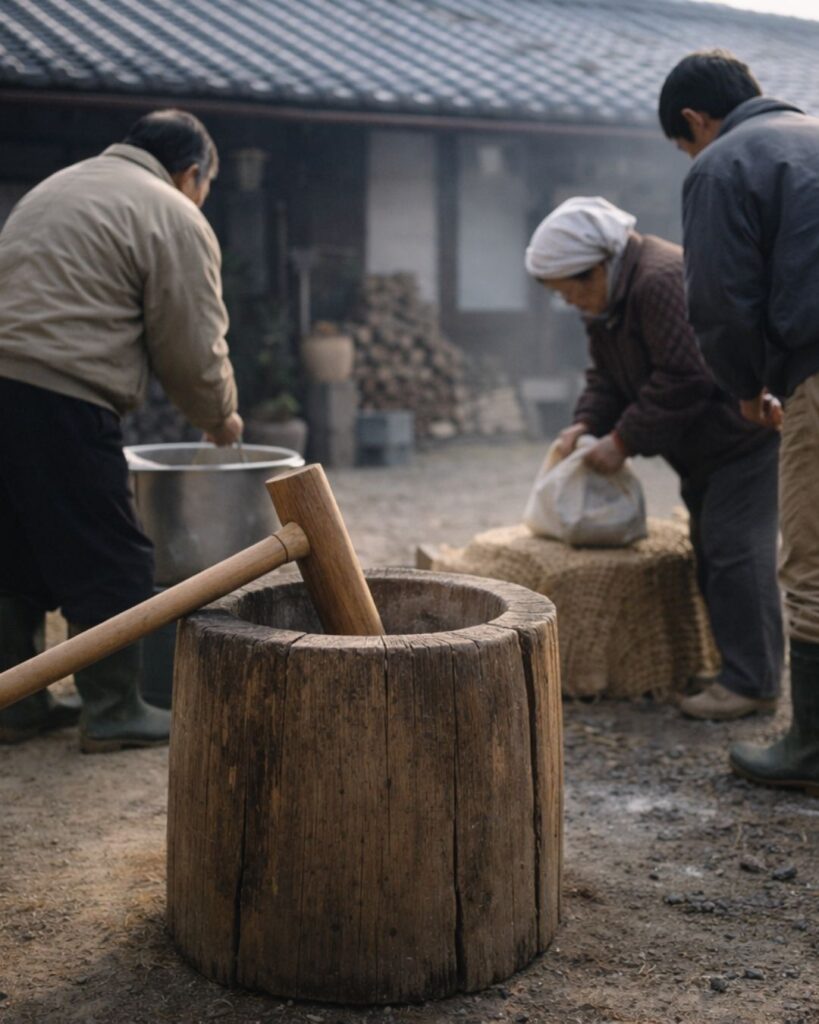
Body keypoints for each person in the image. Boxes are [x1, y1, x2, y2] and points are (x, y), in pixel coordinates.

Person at [0, 109, 242, 752]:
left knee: (12, 547)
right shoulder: (172, 210)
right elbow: (191, 345)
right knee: (109, 551)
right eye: (207, 186)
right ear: (192, 173)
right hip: (60, 389)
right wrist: (220, 416)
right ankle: (112, 709)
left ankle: (14, 704)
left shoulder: (60, 185)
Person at [524, 196, 783, 721]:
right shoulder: (608, 297)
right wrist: (587, 423)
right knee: (713, 549)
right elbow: (606, 376)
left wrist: (622, 441)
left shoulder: (659, 279)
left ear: (598, 265)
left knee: (736, 551)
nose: (572, 302)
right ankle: (739, 670)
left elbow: (686, 377)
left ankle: (753, 682)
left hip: (743, 439)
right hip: (704, 449)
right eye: (561, 296)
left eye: (573, 289)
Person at [659, 50, 819, 794]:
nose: (693, 154)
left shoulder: (724, 162)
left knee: (810, 562)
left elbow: (719, 299)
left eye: (685, 141)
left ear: (695, 120)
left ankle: (810, 750)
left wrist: (746, 386)